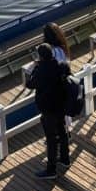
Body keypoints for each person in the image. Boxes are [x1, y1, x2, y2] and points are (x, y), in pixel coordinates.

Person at [28, 43, 70, 179]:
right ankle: (65, 158)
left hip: (48, 109)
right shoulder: (61, 65)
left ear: (40, 56)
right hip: (61, 105)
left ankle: (51, 170)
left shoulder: (40, 70)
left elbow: (29, 84)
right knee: (62, 132)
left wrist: (35, 67)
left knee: (51, 139)